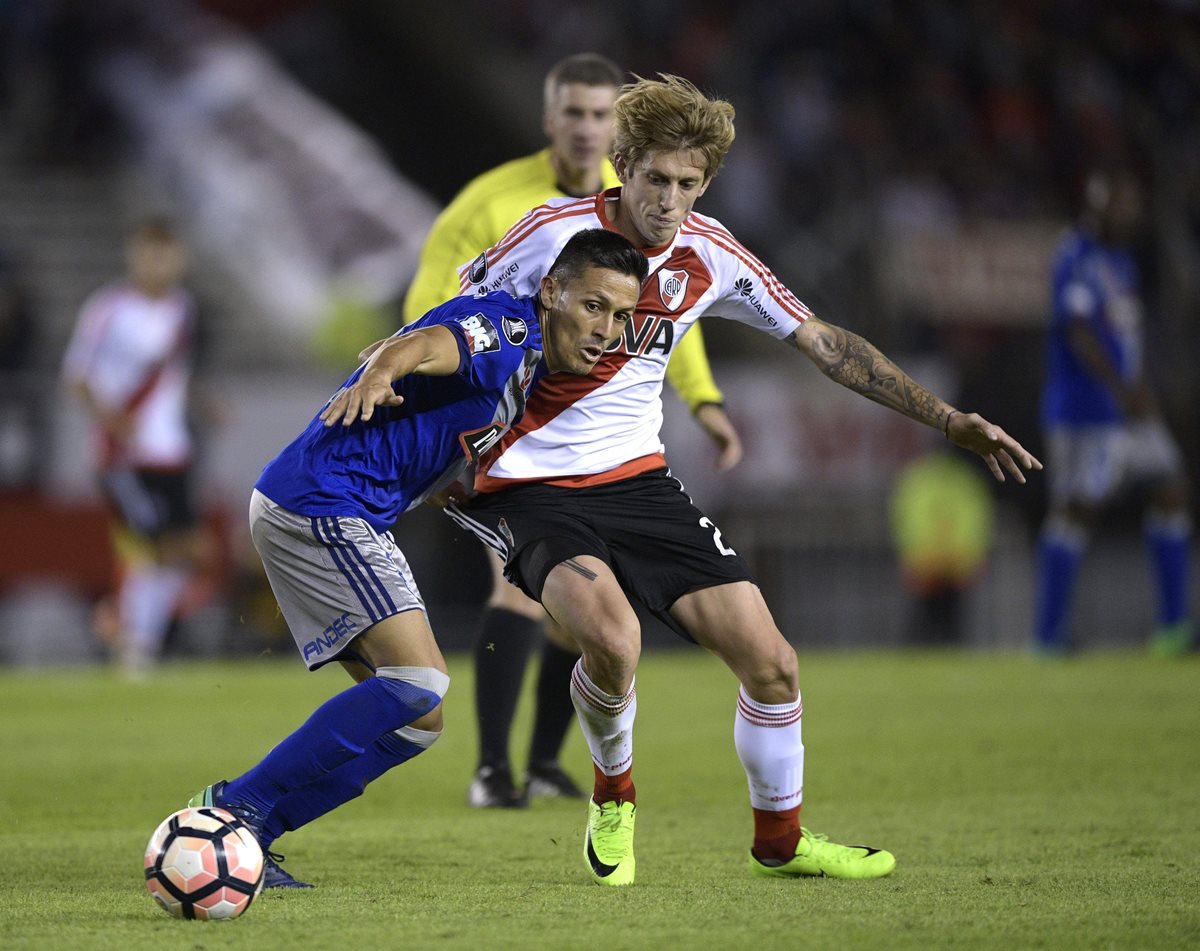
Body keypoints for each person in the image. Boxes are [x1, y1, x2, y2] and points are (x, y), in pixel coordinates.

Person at [444, 75, 1041, 887]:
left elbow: (824, 342)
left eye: (689, 183)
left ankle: (781, 841)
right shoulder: (550, 234)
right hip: (530, 484)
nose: (669, 201)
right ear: (623, 165)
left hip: (639, 483)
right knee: (614, 640)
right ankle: (614, 794)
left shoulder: (712, 253)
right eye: (656, 179)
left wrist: (945, 418)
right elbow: (449, 327)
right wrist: (433, 448)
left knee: (774, 664)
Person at [187, 229, 648, 889]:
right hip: (322, 503)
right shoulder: (509, 330)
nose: (606, 330)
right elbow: (431, 344)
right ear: (551, 292)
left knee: (418, 721)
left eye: (621, 316)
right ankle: (233, 808)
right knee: (418, 681)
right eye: (594, 306)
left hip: (337, 508)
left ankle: (253, 837)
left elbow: (436, 429)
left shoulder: (530, 368)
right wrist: (384, 368)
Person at [403, 52, 744, 808]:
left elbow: (667, 320)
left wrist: (705, 400)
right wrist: (436, 404)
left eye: (601, 115)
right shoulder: (497, 202)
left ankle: (544, 762)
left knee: (587, 619)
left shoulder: (648, 211)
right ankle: (493, 769)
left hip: (605, 456)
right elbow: (438, 303)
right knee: (524, 595)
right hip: (508, 434)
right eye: (576, 113)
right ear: (549, 118)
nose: (588, 129)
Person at [1035, 169, 1193, 655]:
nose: (1129, 216)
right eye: (1119, 207)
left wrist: (1141, 389)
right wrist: (1121, 389)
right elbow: (1078, 330)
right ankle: (1048, 637)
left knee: (1171, 489)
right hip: (1084, 409)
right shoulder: (1075, 255)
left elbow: (1126, 334)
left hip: (1129, 407)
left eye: (1131, 207)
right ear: (1097, 208)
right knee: (1075, 510)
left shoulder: (1121, 261)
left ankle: (1174, 629)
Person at [62, 217, 207, 675]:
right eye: (151, 254)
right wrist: (112, 419)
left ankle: (128, 630)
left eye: (168, 254)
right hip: (123, 453)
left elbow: (174, 376)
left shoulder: (183, 309)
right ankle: (136, 648)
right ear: (135, 256)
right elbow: (77, 375)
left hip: (172, 449)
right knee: (149, 545)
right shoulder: (109, 308)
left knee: (188, 549)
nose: (160, 263)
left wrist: (204, 402)